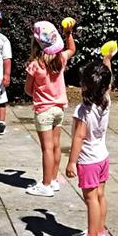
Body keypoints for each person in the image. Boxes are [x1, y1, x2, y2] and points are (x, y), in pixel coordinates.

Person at [65, 43, 115, 236]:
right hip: (102, 156)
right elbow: (108, 81)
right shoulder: (105, 100)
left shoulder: (83, 110)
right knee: (100, 195)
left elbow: (78, 137)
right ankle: (100, 230)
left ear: (85, 85)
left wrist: (72, 162)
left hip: (88, 160)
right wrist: (107, 61)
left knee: (90, 198)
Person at [24, 20, 76, 197]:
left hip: (43, 111)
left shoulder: (35, 65)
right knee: (55, 146)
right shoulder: (61, 59)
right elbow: (72, 49)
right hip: (59, 109)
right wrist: (68, 33)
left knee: (46, 148)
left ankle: (45, 185)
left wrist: (37, 92)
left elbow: (27, 90)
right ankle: (53, 180)